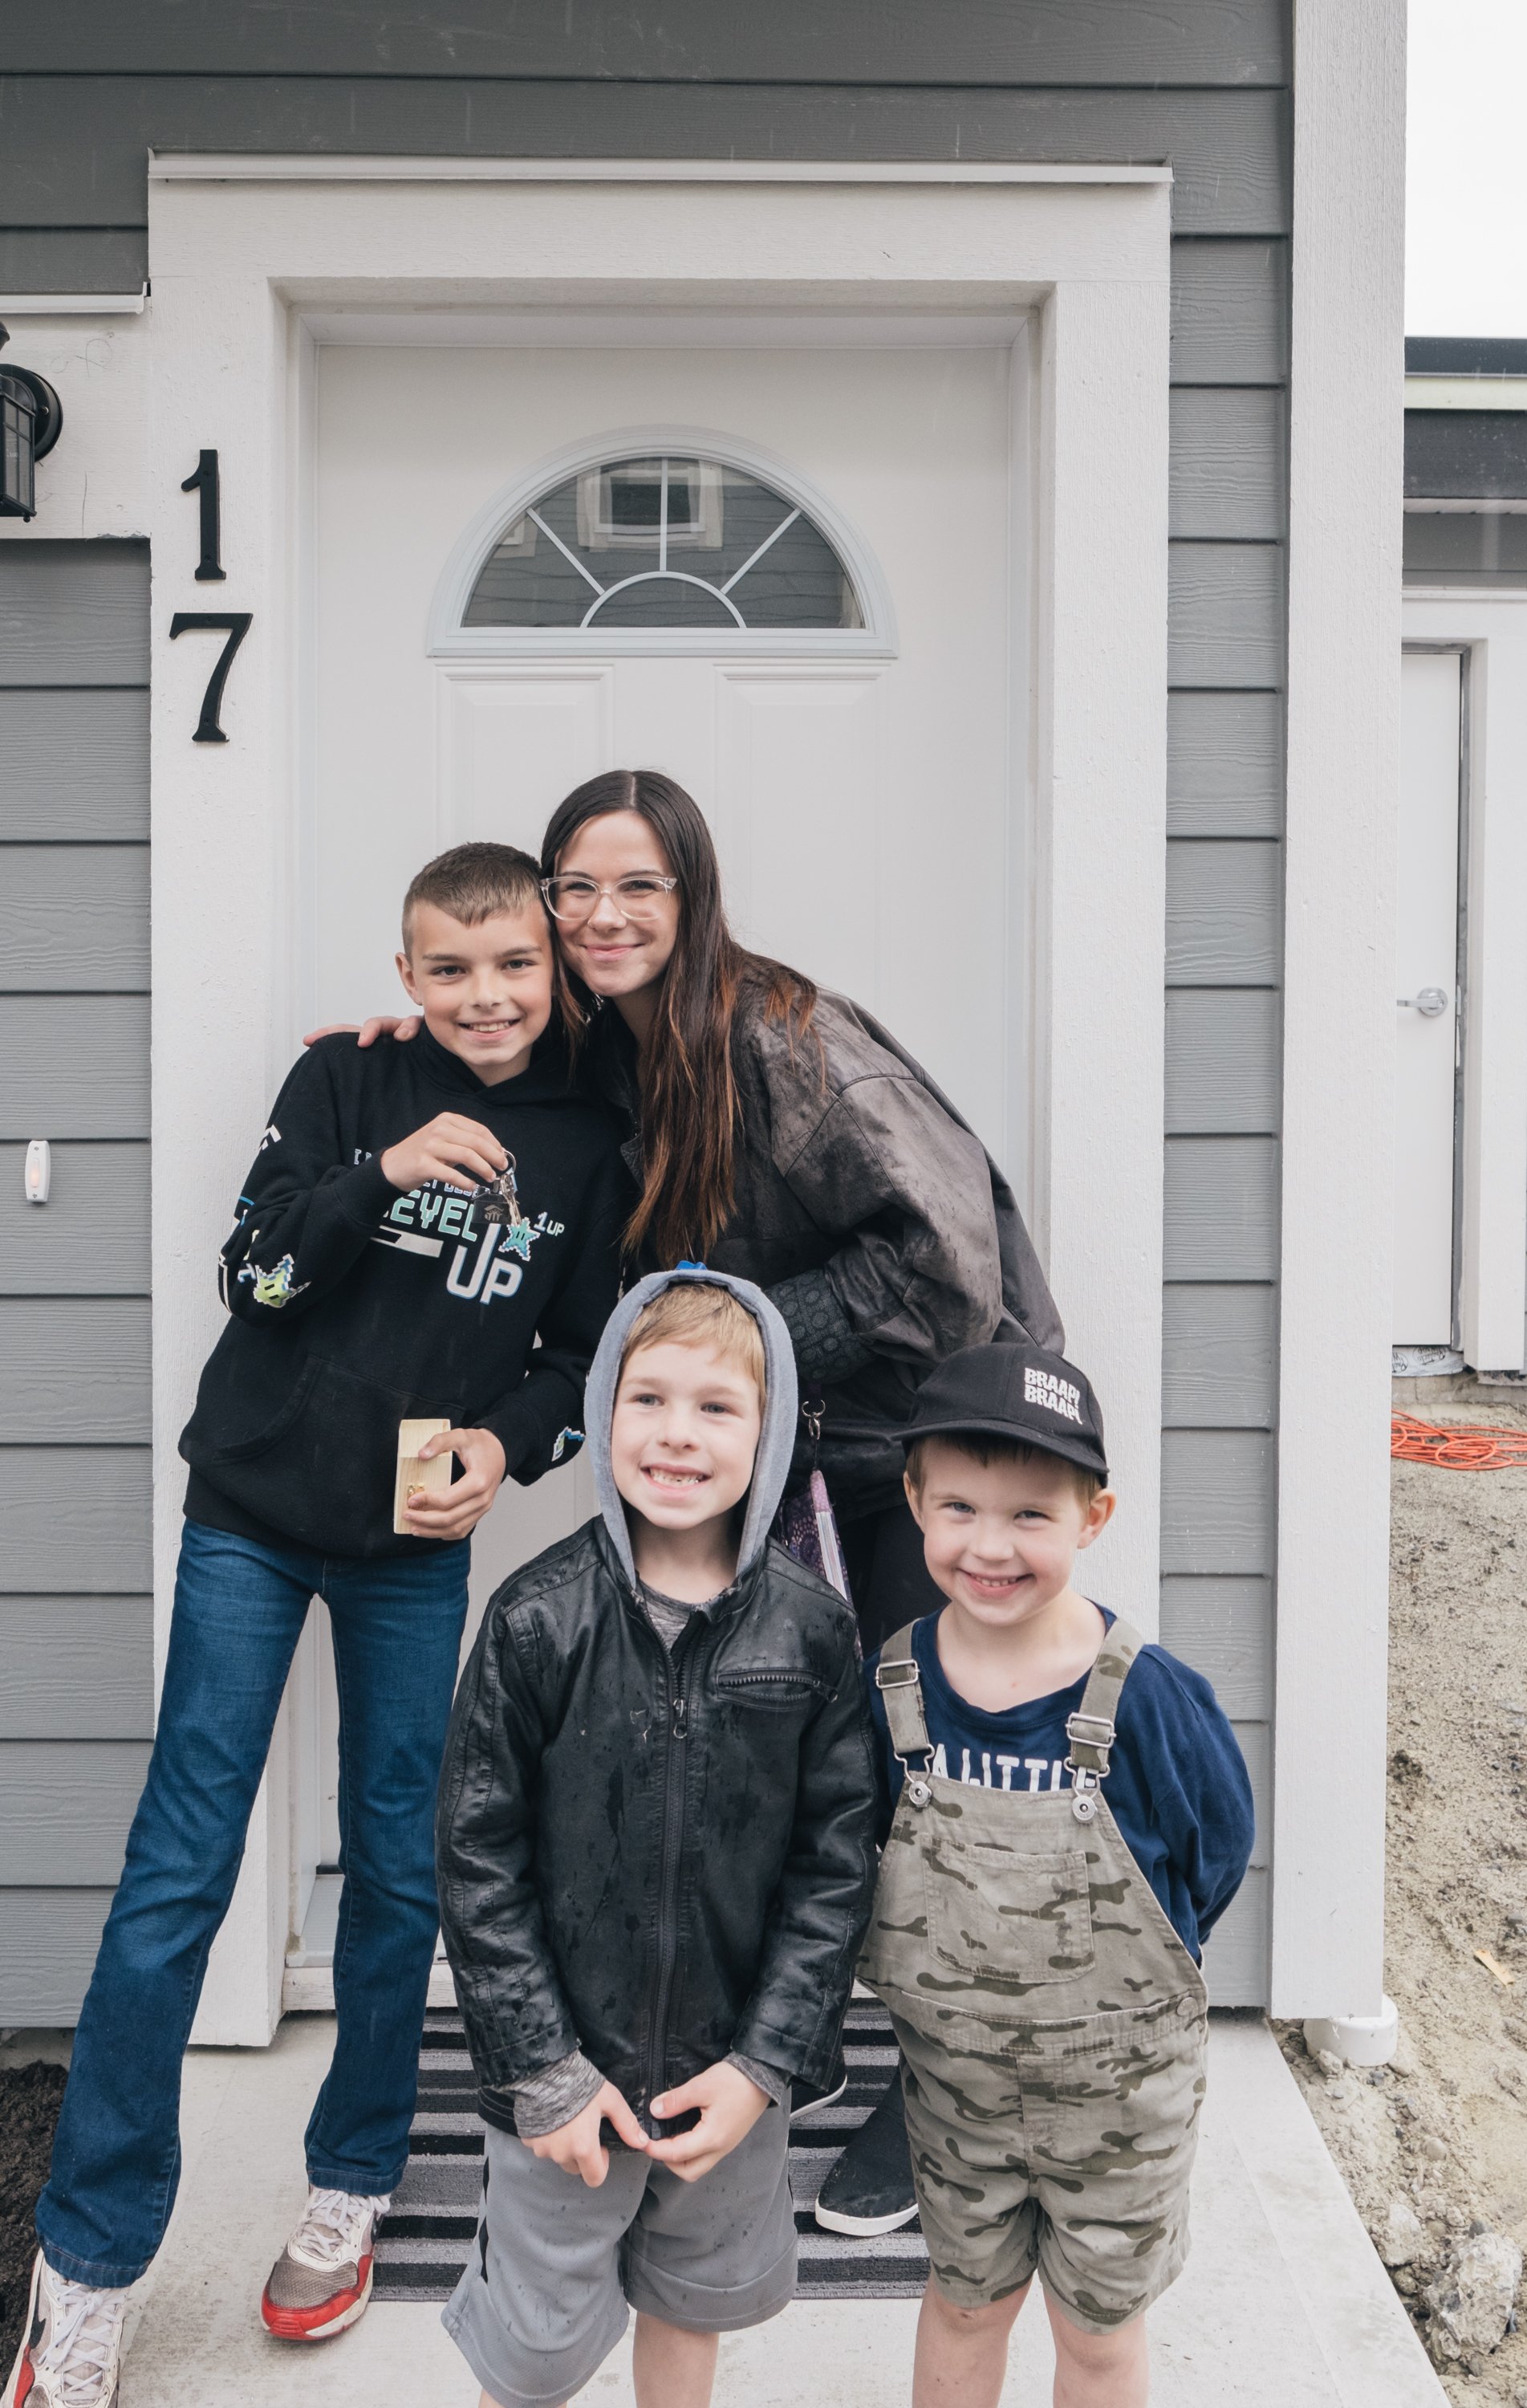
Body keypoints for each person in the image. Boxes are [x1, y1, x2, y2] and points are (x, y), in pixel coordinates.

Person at [327, 764, 1065, 2235]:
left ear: (692, 894)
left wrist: (734, 1335)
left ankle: (947, 2113)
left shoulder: (782, 1035)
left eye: (636, 885)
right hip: (792, 1450)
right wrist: (402, 1057)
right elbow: (514, 1079)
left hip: (917, 1455)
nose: (602, 914)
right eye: (575, 888)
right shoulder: (620, 1048)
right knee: (816, 1772)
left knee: (933, 1776)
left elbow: (940, 1263)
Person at [11, 844, 630, 2408]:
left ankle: (350, 2183)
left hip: (414, 1545)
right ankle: (85, 2269)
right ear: (405, 978)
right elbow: (255, 1277)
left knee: (396, 1861)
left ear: (552, 969)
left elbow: (574, 1359)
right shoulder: (345, 1088)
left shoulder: (589, 1134)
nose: (484, 997)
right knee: (178, 1869)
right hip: (251, 1518)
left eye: (511, 967)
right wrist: (379, 1177)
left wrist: (515, 1446)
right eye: (448, 970)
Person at [435, 1267, 878, 2408]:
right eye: (648, 1399)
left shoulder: (816, 1634)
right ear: (601, 1414)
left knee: (691, 2306)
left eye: (717, 1407)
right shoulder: (537, 1618)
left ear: (770, 1433)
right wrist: (541, 2070)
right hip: (567, 2085)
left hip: (727, 2079)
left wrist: (765, 2065)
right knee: (530, 2350)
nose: (677, 1435)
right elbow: (478, 1859)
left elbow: (836, 1870)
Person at [859, 1340, 1256, 2408]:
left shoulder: (1152, 1700)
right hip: (955, 2097)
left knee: (1095, 2332)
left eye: (1032, 1514)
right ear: (914, 1500)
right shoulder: (891, 1689)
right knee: (963, 2303)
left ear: (1094, 1518)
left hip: (1120, 2103)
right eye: (961, 1508)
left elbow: (1213, 1855)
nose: (992, 1546)